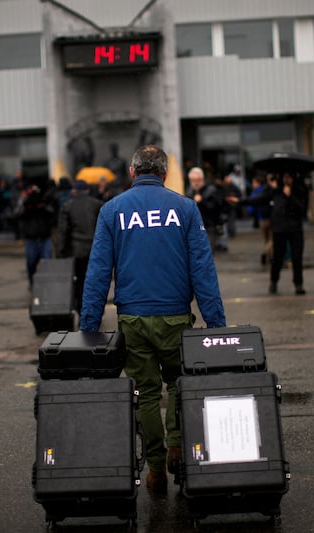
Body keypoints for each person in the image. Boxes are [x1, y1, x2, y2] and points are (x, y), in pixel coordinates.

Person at [80, 145, 227, 494]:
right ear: (164, 173)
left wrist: (88, 326)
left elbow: (98, 272)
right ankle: (177, 444)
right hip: (175, 315)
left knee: (145, 392)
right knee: (178, 383)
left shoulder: (112, 210)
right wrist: (216, 324)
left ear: (132, 172)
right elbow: (202, 270)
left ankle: (156, 467)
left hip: (132, 316)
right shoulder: (186, 209)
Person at [244, 171, 309, 294]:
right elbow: (258, 199)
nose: (287, 179)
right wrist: (240, 201)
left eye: (289, 177)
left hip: (295, 229)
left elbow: (302, 209)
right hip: (280, 229)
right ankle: (274, 281)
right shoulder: (275, 191)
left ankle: (298, 284)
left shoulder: (299, 190)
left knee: (297, 258)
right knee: (277, 257)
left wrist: (289, 197)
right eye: (284, 177)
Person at [57, 179, 103, 313]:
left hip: (77, 251)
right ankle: (97, 310)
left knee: (81, 282)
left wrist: (61, 252)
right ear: (87, 191)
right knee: (96, 282)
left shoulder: (67, 206)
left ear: (74, 191)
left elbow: (63, 231)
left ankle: (82, 309)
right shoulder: (97, 204)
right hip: (95, 250)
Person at [15, 181, 56, 288]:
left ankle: (47, 282)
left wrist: (42, 205)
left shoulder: (43, 204)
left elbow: (52, 214)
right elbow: (17, 214)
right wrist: (25, 203)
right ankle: (32, 282)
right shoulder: (25, 205)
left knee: (47, 261)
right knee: (31, 262)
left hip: (44, 237)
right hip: (31, 238)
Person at [186, 166, 223, 252]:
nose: (195, 183)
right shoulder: (189, 191)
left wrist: (202, 201)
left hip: (209, 225)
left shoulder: (211, 190)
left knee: (208, 251)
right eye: (193, 181)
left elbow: (215, 209)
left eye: (198, 180)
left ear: (202, 179)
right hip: (194, 226)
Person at [247, 173, 273, 266]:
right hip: (269, 217)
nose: (253, 184)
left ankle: (268, 255)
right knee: (271, 239)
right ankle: (268, 254)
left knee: (266, 239)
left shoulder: (255, 193)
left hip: (261, 218)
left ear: (258, 183)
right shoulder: (268, 191)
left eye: (254, 182)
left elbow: (250, 208)